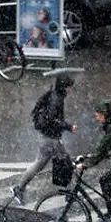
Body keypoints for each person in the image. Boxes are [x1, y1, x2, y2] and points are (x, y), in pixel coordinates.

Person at [11, 74, 77, 205]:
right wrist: (68, 126)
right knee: (67, 164)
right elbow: (52, 119)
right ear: (64, 87)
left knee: (40, 164)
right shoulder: (56, 99)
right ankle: (71, 193)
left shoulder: (55, 95)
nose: (70, 90)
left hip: (47, 138)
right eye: (69, 87)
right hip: (50, 139)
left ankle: (19, 187)